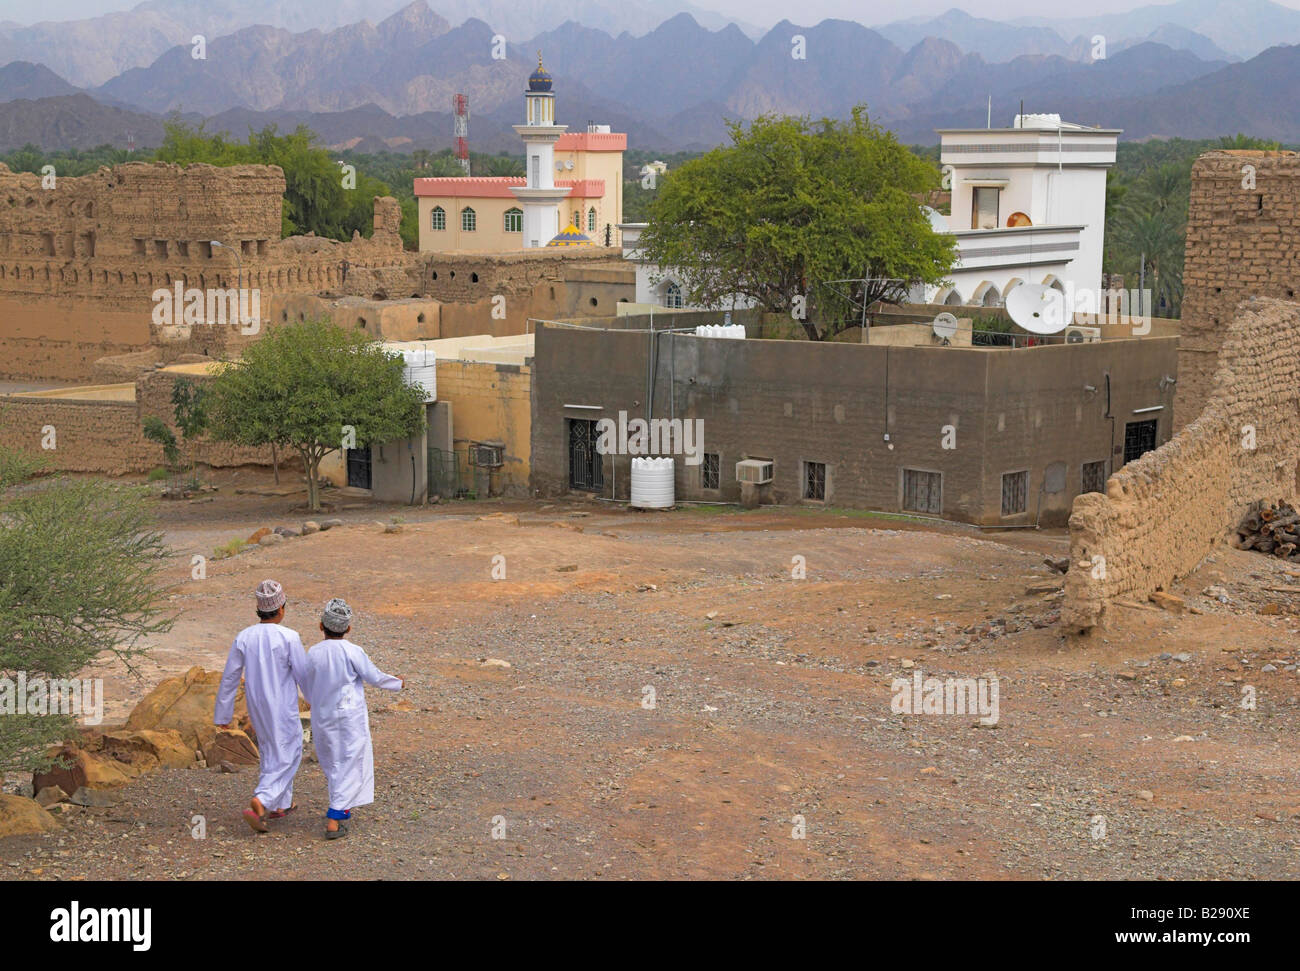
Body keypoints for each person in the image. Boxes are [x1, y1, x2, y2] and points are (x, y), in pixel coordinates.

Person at [300, 598, 403, 840]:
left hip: (323, 717)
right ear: (348, 628)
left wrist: (316, 701)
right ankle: (335, 817)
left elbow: (306, 685)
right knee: (351, 762)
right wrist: (397, 682)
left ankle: (342, 810)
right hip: (349, 718)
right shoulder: (352, 651)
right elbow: (374, 676)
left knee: (333, 764)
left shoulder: (313, 652)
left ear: (320, 625)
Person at [214, 579, 308, 834]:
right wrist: (314, 698)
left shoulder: (244, 636)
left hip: (257, 706)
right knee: (291, 751)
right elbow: (302, 673)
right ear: (281, 609)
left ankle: (281, 805)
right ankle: (262, 799)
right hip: (282, 706)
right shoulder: (289, 636)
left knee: (270, 750)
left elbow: (230, 676)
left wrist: (223, 714)